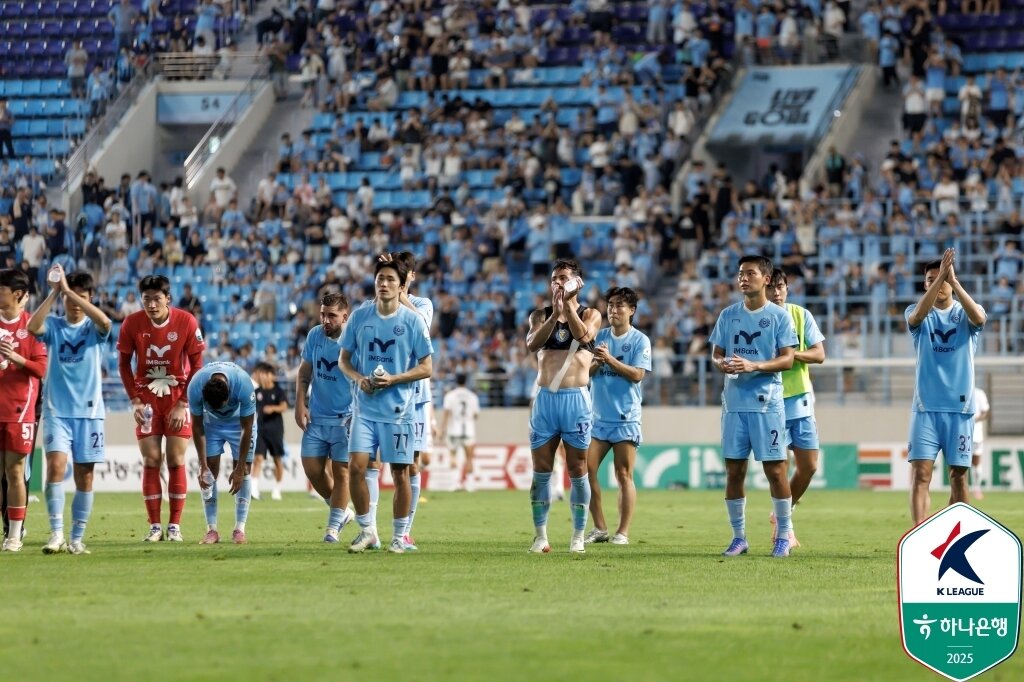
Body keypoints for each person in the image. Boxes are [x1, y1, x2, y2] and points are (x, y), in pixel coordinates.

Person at [339, 258, 433, 554]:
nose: (384, 283)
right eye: (380, 278)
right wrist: (358, 378)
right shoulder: (359, 317)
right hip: (364, 409)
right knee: (356, 467)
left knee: (400, 473)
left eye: (391, 279)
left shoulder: (413, 320)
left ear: (401, 284)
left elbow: (427, 367)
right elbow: (344, 360)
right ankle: (368, 531)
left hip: (399, 411)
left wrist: (395, 379)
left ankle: (399, 536)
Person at [709, 255, 798, 559]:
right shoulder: (728, 315)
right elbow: (716, 354)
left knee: (776, 471)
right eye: (740, 274)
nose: (743, 278)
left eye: (750, 273)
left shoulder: (779, 317)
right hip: (734, 404)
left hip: (767, 405)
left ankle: (783, 536)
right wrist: (722, 364)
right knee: (734, 471)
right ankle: (738, 538)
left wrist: (754, 365)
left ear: (766, 279)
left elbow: (787, 359)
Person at [117, 275, 206, 542]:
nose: (152, 305)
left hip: (178, 396)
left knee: (176, 459)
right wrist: (134, 399)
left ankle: (174, 526)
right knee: (151, 460)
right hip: (146, 400)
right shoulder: (131, 323)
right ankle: (155, 526)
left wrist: (183, 403)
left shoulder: (187, 321)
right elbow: (123, 364)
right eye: (146, 299)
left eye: (157, 299)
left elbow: (198, 364)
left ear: (168, 299)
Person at [28, 265, 110, 554]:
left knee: (85, 477)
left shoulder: (93, 328)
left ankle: (76, 538)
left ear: (88, 297)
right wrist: (56, 293)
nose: (74, 304)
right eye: (69, 299)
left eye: (80, 298)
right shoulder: (55, 326)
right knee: (55, 468)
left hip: (89, 415)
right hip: (56, 412)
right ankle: (56, 533)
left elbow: (106, 322)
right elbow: (32, 327)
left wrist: (73, 294)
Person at [524, 259, 602, 554]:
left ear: (577, 282)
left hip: (576, 399)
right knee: (541, 469)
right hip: (546, 399)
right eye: (555, 278)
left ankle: (578, 535)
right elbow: (533, 344)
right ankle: (540, 535)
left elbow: (584, 337)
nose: (558, 282)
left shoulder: (591, 313)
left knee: (577, 468)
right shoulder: (540, 315)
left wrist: (568, 307)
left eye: (564, 278)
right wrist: (554, 313)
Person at [906, 249, 986, 526]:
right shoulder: (917, 313)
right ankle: (918, 536)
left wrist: (951, 279)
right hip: (925, 408)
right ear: (925, 285)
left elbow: (981, 319)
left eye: (942, 279)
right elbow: (916, 317)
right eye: (930, 280)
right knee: (921, 475)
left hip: (960, 409)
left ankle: (954, 535)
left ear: (953, 281)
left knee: (959, 478)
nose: (937, 283)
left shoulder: (966, 313)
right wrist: (941, 275)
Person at [584, 287, 651, 546]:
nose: (613, 309)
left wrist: (609, 360)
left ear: (632, 310)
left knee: (623, 475)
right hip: (597, 419)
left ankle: (622, 532)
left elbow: (637, 375)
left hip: (625, 418)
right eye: (610, 305)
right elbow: (585, 374)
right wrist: (596, 363)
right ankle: (599, 528)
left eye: (620, 305)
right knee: (584, 471)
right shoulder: (598, 337)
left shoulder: (639, 341)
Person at [767, 269, 826, 549]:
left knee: (810, 466)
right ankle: (784, 530)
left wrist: (791, 356)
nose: (776, 292)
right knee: (780, 469)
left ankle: (783, 514)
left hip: (801, 399)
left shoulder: (801, 315)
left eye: (781, 286)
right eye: (772, 287)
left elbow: (820, 354)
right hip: (770, 399)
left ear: (787, 288)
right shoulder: (758, 319)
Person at [295, 292, 357, 543]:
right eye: (322, 314)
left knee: (342, 472)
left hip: (346, 418)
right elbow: (304, 372)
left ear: (345, 316)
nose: (325, 320)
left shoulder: (355, 341)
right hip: (317, 417)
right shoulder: (314, 335)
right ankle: (341, 510)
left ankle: (333, 527)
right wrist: (300, 404)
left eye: (332, 315)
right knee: (312, 470)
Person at [385, 251, 433, 550]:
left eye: (402, 274)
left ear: (411, 277)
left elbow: (421, 327)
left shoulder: (422, 304)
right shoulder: (380, 307)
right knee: (372, 462)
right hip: (383, 393)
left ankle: (403, 531)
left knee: (412, 465)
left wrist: (400, 295)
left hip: (414, 396)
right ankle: (368, 529)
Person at [0, 268, 48, 551]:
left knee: (15, 471)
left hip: (20, 410)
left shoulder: (33, 326)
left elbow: (41, 368)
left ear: (17, 294)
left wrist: (16, 358)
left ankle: (14, 535)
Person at [190, 361, 257, 544]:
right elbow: (196, 427)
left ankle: (239, 529)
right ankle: (211, 530)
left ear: (228, 397)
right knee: (209, 473)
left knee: (244, 472)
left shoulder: (244, 384)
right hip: (211, 424)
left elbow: (247, 428)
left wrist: (240, 467)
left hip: (240, 425)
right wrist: (202, 465)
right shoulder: (195, 386)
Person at [252, 362, 287, 502]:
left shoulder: (278, 391)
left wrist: (273, 408)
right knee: (258, 458)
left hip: (275, 430)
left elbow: (284, 406)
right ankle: (253, 489)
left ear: (272, 376)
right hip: (261, 430)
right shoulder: (257, 392)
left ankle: (277, 489)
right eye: (262, 374)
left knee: (277, 459)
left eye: (267, 374)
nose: (264, 377)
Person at [440, 373, 480, 491]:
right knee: (469, 458)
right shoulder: (472, 396)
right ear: (466, 381)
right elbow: (476, 415)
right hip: (468, 430)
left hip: (454, 430)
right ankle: (470, 484)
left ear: (456, 381)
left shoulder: (450, 396)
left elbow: (446, 414)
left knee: (453, 455)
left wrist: (443, 429)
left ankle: (455, 483)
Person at [971, 385, 990, 500]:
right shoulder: (957, 390)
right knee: (959, 464)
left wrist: (975, 419)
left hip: (976, 434)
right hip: (960, 434)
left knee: (976, 462)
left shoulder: (979, 393)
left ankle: (977, 488)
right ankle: (959, 488)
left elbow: (986, 412)